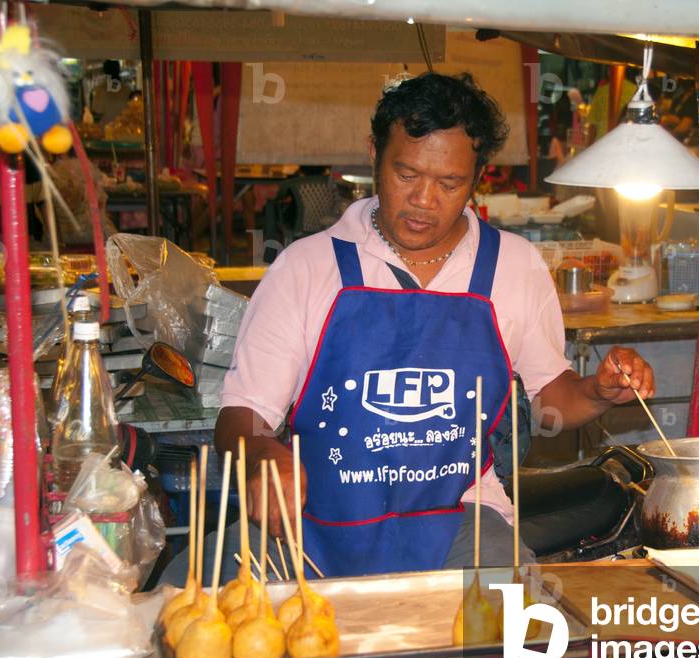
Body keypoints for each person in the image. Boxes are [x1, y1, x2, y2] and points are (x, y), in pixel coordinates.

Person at [166, 73, 655, 583]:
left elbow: (552, 402)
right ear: (375, 154)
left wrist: (597, 392)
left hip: (459, 523)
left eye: (449, 184)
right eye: (406, 174)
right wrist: (262, 455)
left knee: (503, 630)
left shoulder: (514, 265)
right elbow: (241, 416)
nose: (424, 200)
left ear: (477, 178)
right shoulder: (306, 268)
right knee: (189, 599)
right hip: (315, 522)